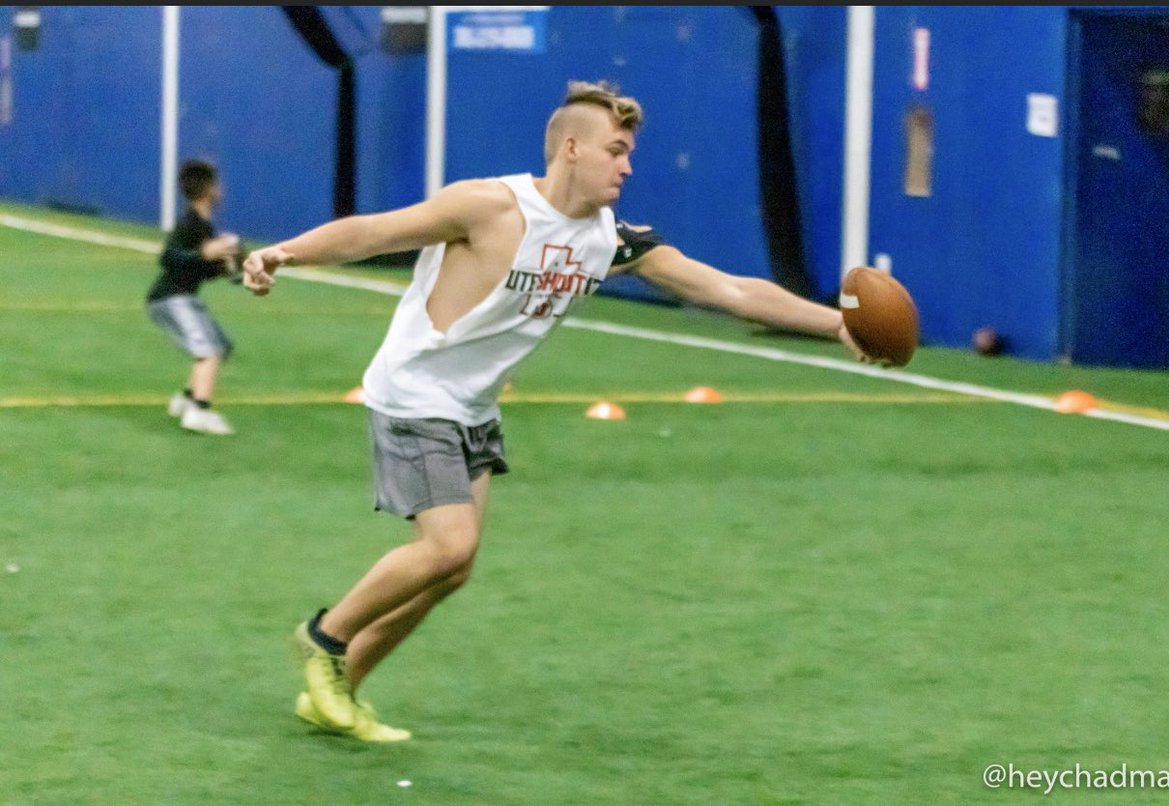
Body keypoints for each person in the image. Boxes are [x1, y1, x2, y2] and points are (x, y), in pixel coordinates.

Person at [242, 80, 872, 742]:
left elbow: (731, 290)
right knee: (446, 544)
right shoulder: (488, 206)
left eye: (630, 154)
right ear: (572, 149)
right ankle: (324, 639)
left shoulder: (613, 241)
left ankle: (336, 692)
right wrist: (285, 252)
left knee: (453, 568)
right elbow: (373, 232)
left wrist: (838, 326)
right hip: (416, 393)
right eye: (616, 151)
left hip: (472, 406)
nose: (627, 166)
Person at [146, 159, 243, 436]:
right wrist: (204, 254)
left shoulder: (204, 226)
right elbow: (169, 258)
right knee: (208, 351)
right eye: (218, 184)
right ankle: (199, 410)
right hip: (170, 298)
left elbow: (202, 269)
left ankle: (186, 399)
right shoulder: (189, 222)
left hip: (182, 297)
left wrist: (229, 265)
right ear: (209, 189)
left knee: (220, 346)